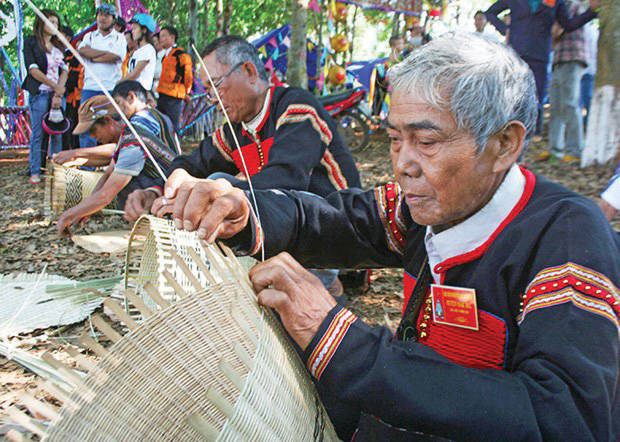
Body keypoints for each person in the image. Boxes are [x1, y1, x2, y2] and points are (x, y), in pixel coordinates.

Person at [154, 33, 620, 440]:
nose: (403, 163)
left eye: (428, 142)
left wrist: (342, 341)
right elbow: (326, 217)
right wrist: (242, 208)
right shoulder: (422, 207)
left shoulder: (566, 238)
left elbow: (565, 420)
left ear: (504, 145)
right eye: (396, 138)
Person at [124, 35, 361, 221]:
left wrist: (217, 190)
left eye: (215, 85)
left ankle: (334, 281)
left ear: (249, 71)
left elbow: (285, 180)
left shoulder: (296, 107)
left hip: (341, 228)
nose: (213, 98)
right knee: (217, 183)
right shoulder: (234, 130)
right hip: (296, 226)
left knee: (223, 190)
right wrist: (159, 191)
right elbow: (192, 163)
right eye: (207, 91)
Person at [57, 81, 179, 237]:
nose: (93, 137)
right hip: (168, 182)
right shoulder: (140, 125)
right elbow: (108, 173)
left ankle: (150, 221)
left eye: (94, 131)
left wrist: (68, 215)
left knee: (124, 179)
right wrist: (86, 209)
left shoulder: (134, 136)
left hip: (166, 190)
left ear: (108, 121)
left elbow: (106, 194)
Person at [485, 0, 599, 137]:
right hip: (516, 53)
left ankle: (531, 134)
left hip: (539, 55)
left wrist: (591, 12)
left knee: (536, 97)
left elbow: (568, 24)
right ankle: (507, 134)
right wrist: (504, 29)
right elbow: (490, 12)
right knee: (512, 96)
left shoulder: (557, 1)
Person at [537, 1, 589, 163]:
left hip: (573, 58)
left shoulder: (573, 5)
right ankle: (555, 150)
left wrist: (554, 29)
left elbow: (558, 29)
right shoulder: (562, 5)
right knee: (556, 106)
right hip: (559, 60)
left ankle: (574, 150)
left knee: (569, 104)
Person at [22, 9, 68, 185]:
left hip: (57, 94)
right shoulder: (31, 42)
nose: (54, 25)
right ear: (41, 22)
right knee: (38, 134)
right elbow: (33, 70)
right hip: (39, 93)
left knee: (57, 133)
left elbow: (64, 70)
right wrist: (54, 86)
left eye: (56, 23)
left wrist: (58, 91)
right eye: (50, 21)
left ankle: (55, 171)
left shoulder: (59, 47)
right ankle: (35, 170)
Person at [77, 3, 126, 149]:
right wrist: (103, 54)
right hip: (90, 88)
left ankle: (112, 163)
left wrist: (93, 56)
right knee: (86, 127)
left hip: (110, 88)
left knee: (112, 125)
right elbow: (83, 51)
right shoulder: (89, 36)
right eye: (100, 14)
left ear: (114, 18)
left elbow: (116, 56)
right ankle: (87, 164)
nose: (102, 18)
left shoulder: (120, 38)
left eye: (106, 15)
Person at [53, 95, 125, 167]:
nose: (92, 136)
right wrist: (75, 161)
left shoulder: (132, 130)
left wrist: (74, 153)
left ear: (107, 119)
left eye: (93, 130)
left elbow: (118, 149)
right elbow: (110, 158)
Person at [156, 25, 193, 133]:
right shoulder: (165, 55)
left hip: (174, 96)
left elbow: (188, 75)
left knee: (173, 126)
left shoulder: (181, 55)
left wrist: (187, 92)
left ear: (172, 37)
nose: (160, 39)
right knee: (162, 123)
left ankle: (175, 148)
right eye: (160, 36)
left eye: (163, 36)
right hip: (162, 94)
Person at [121, 14, 157, 91]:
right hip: (132, 90)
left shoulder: (148, 49)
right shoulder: (138, 51)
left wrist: (118, 83)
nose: (132, 31)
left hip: (140, 92)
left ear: (144, 30)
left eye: (134, 28)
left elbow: (134, 75)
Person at [581, 20, 598, 128]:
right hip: (588, 69)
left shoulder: (589, 31)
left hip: (587, 70)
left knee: (586, 100)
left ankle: (588, 125)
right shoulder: (593, 31)